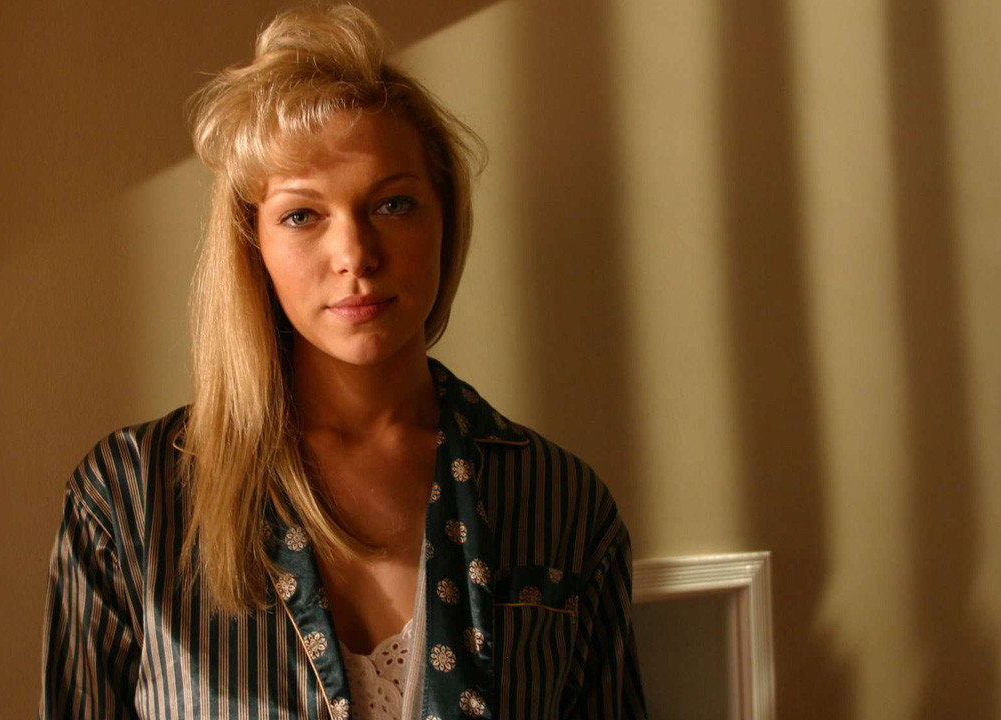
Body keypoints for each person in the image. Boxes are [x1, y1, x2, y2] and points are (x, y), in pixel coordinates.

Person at [39, 5, 646, 719]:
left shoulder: (562, 503)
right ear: (253, 245)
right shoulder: (128, 502)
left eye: (393, 205)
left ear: (445, 221)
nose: (355, 255)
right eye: (302, 215)